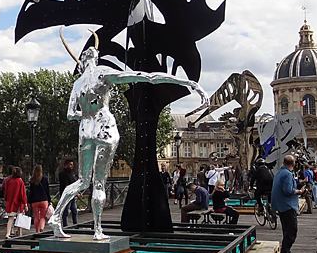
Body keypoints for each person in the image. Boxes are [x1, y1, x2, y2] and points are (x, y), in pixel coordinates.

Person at [52, 35, 207, 239]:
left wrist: (87, 114)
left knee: (82, 181)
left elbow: (71, 114)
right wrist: (188, 82)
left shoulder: (78, 84)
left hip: (85, 131)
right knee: (98, 182)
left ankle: (55, 218)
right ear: (95, 59)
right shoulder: (102, 73)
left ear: (82, 62)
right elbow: (146, 77)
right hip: (104, 128)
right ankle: (98, 230)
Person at [271, 154, 303, 253]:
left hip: (281, 206)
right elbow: (288, 191)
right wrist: (299, 191)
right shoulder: (287, 174)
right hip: (287, 206)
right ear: (293, 163)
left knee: (287, 231)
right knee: (292, 231)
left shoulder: (279, 172)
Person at [3, 166, 28, 238]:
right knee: (20, 218)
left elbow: (6, 192)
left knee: (10, 219)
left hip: (10, 202)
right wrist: (25, 204)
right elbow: (22, 194)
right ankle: (19, 233)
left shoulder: (8, 180)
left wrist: (6, 200)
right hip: (19, 203)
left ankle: (8, 233)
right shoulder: (20, 181)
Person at [28, 164, 51, 233]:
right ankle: (41, 228)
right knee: (42, 216)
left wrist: (29, 201)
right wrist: (49, 200)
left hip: (35, 201)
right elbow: (47, 191)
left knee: (36, 216)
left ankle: (37, 231)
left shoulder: (32, 180)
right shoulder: (45, 179)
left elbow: (31, 192)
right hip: (44, 200)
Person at [58, 158, 79, 227]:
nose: (71, 166)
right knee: (66, 211)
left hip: (72, 195)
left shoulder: (72, 174)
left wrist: (77, 192)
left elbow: (74, 183)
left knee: (74, 210)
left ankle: (75, 225)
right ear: (66, 165)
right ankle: (65, 226)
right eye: (70, 164)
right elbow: (66, 185)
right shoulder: (62, 174)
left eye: (72, 165)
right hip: (66, 195)